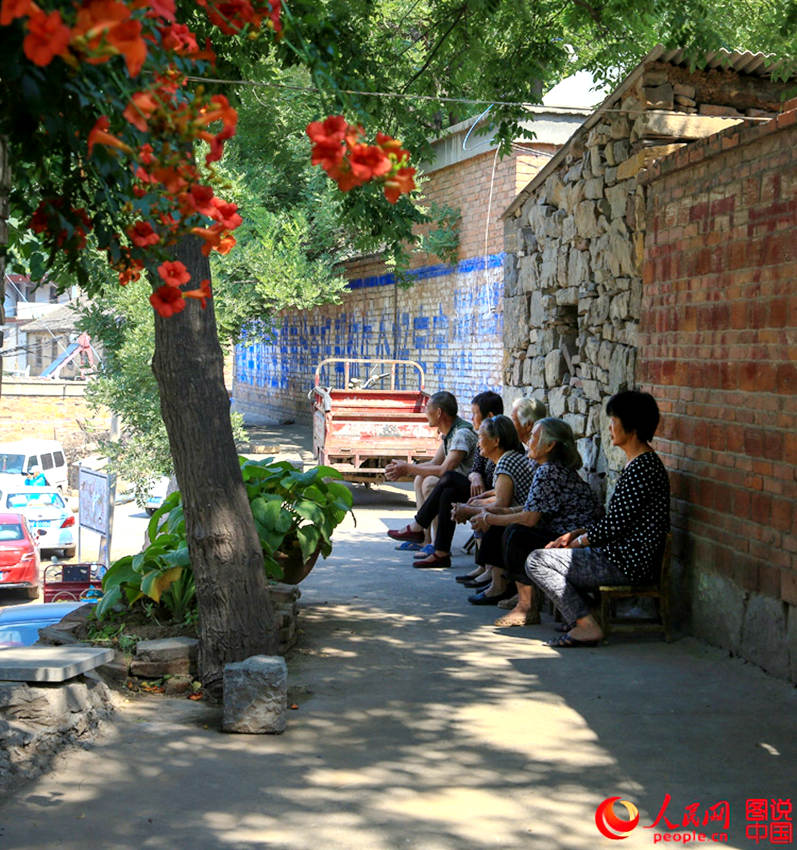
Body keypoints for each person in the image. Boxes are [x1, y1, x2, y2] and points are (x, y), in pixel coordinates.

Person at [526, 391, 671, 647]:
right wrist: (575, 535)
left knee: (537, 561)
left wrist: (579, 541)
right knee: (551, 550)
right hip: (619, 554)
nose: (610, 427)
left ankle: (585, 624)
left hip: (626, 561)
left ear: (631, 425)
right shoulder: (638, 464)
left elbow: (615, 525)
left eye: (614, 420)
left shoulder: (643, 468)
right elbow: (617, 520)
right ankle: (585, 616)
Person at [467, 418, 603, 623]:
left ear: (549, 446)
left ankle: (527, 606)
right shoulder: (546, 468)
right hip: (562, 531)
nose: (529, 441)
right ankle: (507, 590)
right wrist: (498, 515)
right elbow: (534, 506)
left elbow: (530, 518)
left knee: (517, 534)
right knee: (504, 525)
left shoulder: (549, 470)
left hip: (573, 538)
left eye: (535, 437)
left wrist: (492, 517)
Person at [450, 415, 535, 604]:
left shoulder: (506, 461)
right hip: (520, 511)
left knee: (491, 520)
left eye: (481, 437)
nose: (478, 443)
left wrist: (468, 509)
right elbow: (499, 493)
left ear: (496, 441)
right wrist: (476, 502)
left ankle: (498, 585)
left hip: (526, 518)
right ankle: (489, 573)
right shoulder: (504, 460)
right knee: (481, 511)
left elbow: (501, 505)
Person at [385, 391, 477, 567]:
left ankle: (432, 540)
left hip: (468, 485)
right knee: (420, 478)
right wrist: (407, 469)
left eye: (428, 408)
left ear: (439, 412)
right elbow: (436, 462)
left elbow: (444, 470)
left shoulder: (461, 434)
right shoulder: (449, 433)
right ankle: (424, 539)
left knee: (431, 482)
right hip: (454, 482)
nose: (425, 412)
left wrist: (408, 468)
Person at [468, 391, 504, 498]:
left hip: (493, 493)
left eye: (475, 414)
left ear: (489, 416)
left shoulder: (504, 441)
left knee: (449, 479)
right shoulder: (482, 439)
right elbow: (475, 469)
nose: (472, 418)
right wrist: (476, 477)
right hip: (479, 488)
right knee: (448, 488)